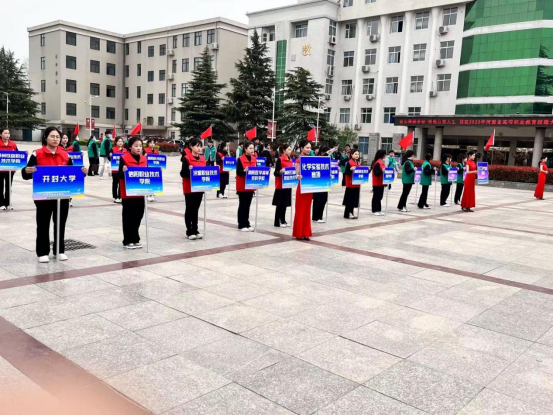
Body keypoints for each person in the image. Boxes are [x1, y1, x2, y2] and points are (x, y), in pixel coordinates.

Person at [21, 127, 88, 262]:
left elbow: (72, 175)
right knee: (43, 224)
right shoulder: (37, 154)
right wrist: (26, 171)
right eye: (52, 136)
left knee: (60, 223)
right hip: (43, 196)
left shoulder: (65, 155)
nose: (55, 139)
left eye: (58, 137)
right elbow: (26, 174)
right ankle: (42, 252)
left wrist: (83, 173)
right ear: (45, 137)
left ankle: (59, 250)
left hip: (62, 197)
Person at [119, 137, 147, 248]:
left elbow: (147, 174)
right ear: (130, 147)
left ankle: (135, 238)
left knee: (138, 216)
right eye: (136, 146)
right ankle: (127, 240)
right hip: (128, 194)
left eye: (140, 146)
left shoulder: (144, 159)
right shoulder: (124, 158)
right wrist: (123, 171)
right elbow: (119, 176)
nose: (138, 148)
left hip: (140, 193)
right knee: (128, 217)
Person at [181, 138, 206, 240]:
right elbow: (183, 173)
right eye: (197, 146)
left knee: (196, 209)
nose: (199, 148)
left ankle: (195, 229)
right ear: (191, 147)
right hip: (189, 189)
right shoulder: (186, 158)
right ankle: (189, 231)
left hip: (199, 188)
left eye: (200, 146)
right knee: (189, 209)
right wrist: (189, 170)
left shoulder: (203, 159)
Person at [293, 140, 314, 240]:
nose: (309, 149)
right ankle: (299, 233)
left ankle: (306, 233)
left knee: (307, 211)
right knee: (300, 210)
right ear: (301, 148)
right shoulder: (299, 160)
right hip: (302, 188)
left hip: (309, 188)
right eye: (307, 147)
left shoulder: (311, 159)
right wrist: (298, 176)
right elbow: (295, 174)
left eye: (310, 148)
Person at [236, 141, 257, 231]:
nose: (252, 150)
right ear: (245, 149)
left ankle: (247, 223)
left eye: (253, 148)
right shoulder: (240, 159)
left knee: (248, 205)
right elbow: (238, 172)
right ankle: (241, 224)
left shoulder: (254, 159)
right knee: (243, 205)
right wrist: (244, 171)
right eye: (250, 148)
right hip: (242, 186)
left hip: (250, 186)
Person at [273, 144, 294, 228]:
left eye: (290, 149)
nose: (290, 151)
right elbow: (275, 173)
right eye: (288, 149)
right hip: (280, 185)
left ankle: (283, 220)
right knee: (280, 204)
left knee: (285, 204)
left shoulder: (290, 160)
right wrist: (280, 172)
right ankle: (277, 221)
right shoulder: (280, 159)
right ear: (284, 150)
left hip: (288, 184)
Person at [312, 146, 334, 223]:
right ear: (322, 152)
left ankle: (320, 216)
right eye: (327, 152)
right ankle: (315, 217)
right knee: (318, 200)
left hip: (325, 183)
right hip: (317, 183)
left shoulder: (327, 160)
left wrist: (330, 174)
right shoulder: (317, 159)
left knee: (323, 200)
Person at [0, 128, 19, 210]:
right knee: (0, 187)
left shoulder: (13, 144)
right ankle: (1, 203)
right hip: (0, 170)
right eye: (5, 133)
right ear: (0, 134)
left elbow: (18, 154)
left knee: (8, 187)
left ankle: (8, 203)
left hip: (10, 170)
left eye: (8, 133)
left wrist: (24, 154)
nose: (7, 135)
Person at [343, 148, 361, 219]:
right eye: (355, 154)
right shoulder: (349, 163)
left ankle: (351, 212)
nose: (357, 155)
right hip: (350, 184)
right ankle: (347, 214)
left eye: (358, 154)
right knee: (349, 200)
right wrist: (351, 169)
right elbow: (346, 173)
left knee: (354, 199)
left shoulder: (358, 163)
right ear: (351, 154)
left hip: (357, 184)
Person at [109, 137, 127, 203]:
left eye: (121, 141)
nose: (120, 143)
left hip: (122, 170)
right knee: (115, 183)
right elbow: (109, 158)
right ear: (116, 142)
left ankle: (120, 196)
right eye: (119, 141)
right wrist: (110, 156)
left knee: (121, 183)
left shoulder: (125, 150)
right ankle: (115, 197)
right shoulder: (112, 149)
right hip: (115, 170)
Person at [371, 149, 386, 216]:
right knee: (376, 197)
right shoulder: (377, 163)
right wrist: (381, 170)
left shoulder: (382, 162)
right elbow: (376, 173)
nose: (385, 156)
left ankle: (379, 210)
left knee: (380, 197)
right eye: (384, 154)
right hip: (377, 183)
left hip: (381, 182)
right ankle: (374, 210)